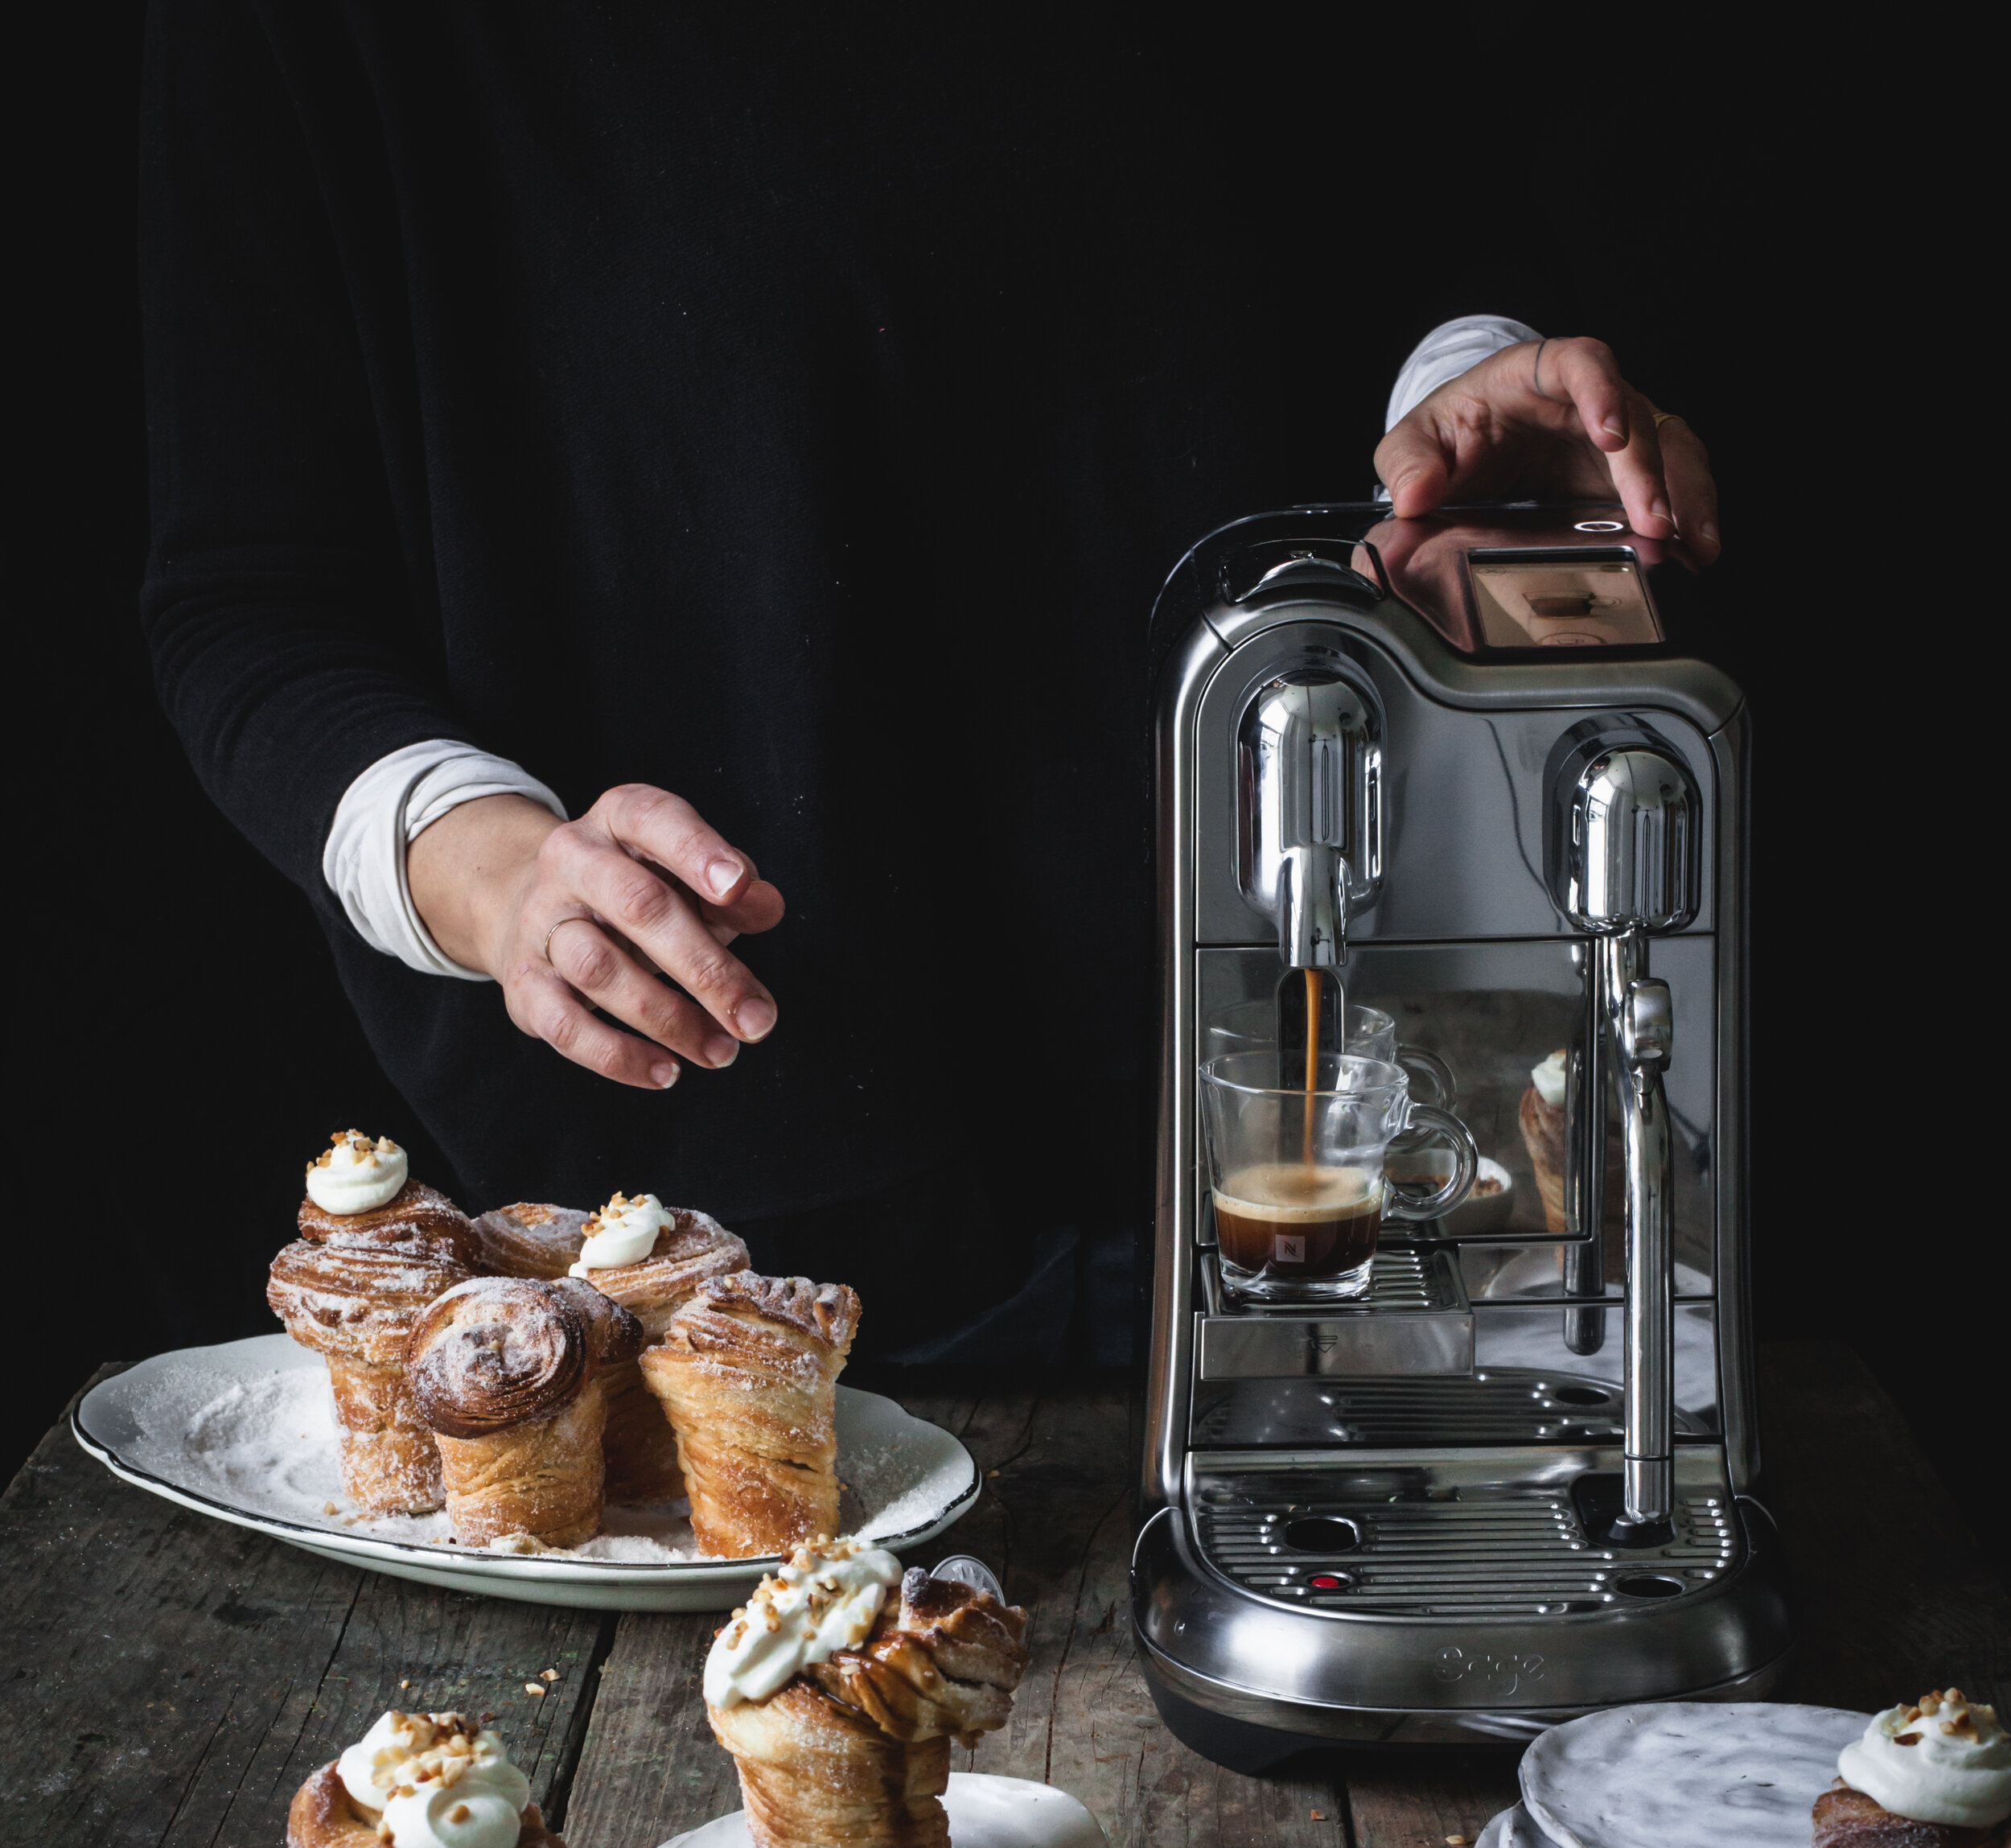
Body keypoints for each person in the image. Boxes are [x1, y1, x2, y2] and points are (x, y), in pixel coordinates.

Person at [141, 12, 1717, 1365]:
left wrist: (1468, 391)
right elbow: (253, 597)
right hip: (727, 1248)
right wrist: (488, 871)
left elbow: (1425, 181)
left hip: (1357, 1104)